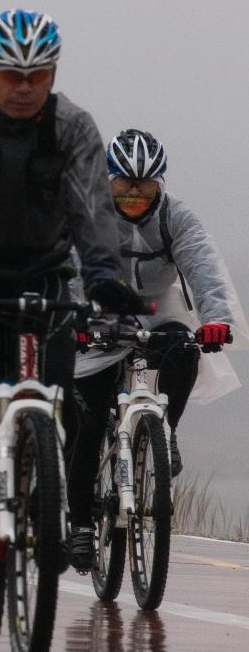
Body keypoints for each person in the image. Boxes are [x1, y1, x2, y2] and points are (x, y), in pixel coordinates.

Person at [0, 8, 138, 551]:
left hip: (44, 273)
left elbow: (91, 210)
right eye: (13, 75)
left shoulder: (74, 127)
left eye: (39, 74)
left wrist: (104, 275)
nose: (25, 88)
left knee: (63, 388)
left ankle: (46, 494)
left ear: (54, 74)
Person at [70, 130, 241, 566]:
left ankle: (164, 428)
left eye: (144, 186)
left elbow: (203, 266)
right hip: (100, 308)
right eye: (124, 183)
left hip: (159, 306)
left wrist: (216, 320)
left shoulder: (176, 217)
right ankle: (82, 525)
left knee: (184, 349)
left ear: (160, 184)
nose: (133, 194)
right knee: (88, 421)